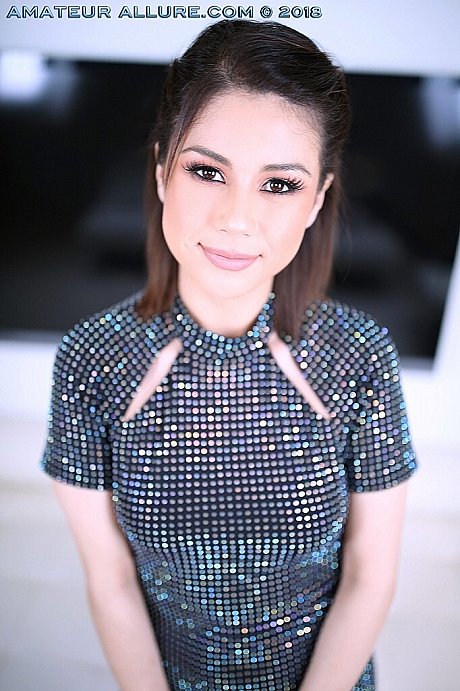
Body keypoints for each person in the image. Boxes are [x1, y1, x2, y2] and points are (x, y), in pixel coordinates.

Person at [41, 19, 417, 691]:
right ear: (163, 172)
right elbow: (110, 577)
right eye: (208, 171)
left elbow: (370, 574)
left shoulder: (359, 356)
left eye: (280, 184)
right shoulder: (92, 360)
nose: (237, 218)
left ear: (317, 201)